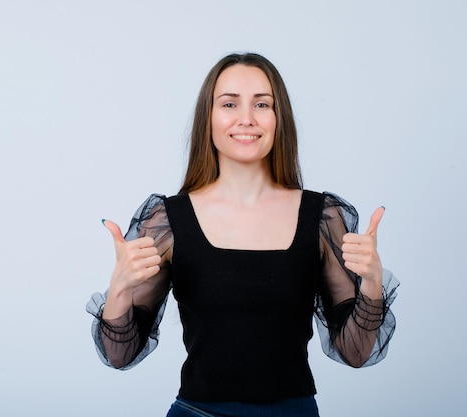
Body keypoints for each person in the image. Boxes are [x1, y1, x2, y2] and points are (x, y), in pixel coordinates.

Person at [86, 52, 399, 417]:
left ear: (279, 118)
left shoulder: (321, 217)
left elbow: (356, 353)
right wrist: (120, 289)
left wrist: (373, 285)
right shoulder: (169, 221)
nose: (246, 118)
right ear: (210, 118)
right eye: (230, 103)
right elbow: (119, 355)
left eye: (262, 104)